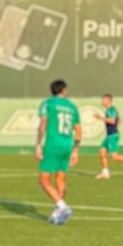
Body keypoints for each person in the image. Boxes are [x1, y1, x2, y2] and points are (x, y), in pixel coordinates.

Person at [36, 79, 81, 225]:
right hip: (67, 144)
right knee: (60, 179)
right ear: (64, 90)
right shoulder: (72, 107)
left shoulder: (48, 103)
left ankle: (62, 206)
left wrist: (38, 144)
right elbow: (78, 130)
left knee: (43, 180)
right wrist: (75, 150)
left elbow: (43, 125)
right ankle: (58, 214)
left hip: (53, 144)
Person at [94, 93, 123, 179]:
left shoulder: (111, 109)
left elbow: (113, 121)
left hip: (112, 136)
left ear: (108, 100)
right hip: (109, 136)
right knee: (102, 153)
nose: (102, 101)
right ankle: (105, 173)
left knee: (115, 156)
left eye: (103, 99)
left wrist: (100, 118)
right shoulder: (110, 110)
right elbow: (119, 120)